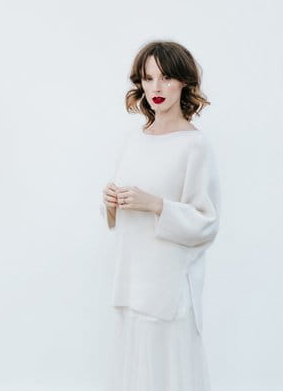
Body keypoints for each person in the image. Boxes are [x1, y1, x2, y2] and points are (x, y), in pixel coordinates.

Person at [99, 40, 222, 391]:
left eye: (166, 78)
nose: (156, 88)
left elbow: (207, 222)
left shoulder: (195, 145)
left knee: (167, 376)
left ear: (184, 83)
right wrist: (111, 202)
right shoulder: (134, 139)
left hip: (167, 285)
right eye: (148, 78)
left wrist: (156, 204)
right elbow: (122, 212)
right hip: (132, 278)